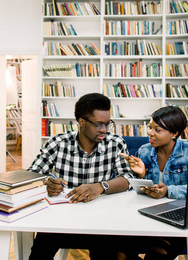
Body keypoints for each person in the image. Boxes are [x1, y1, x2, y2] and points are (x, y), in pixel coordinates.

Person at [27, 92, 132, 260]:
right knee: (38, 255)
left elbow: (128, 179)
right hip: (59, 221)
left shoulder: (115, 143)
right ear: (81, 122)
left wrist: (100, 187)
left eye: (107, 124)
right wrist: (46, 182)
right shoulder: (58, 143)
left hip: (101, 221)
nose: (104, 130)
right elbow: (31, 175)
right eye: (98, 124)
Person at [117, 106, 188, 260]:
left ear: (174, 133)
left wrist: (168, 191)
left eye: (157, 130)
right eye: (150, 127)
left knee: (158, 253)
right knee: (117, 252)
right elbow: (138, 191)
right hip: (144, 216)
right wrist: (141, 175)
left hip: (176, 219)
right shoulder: (144, 151)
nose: (150, 133)